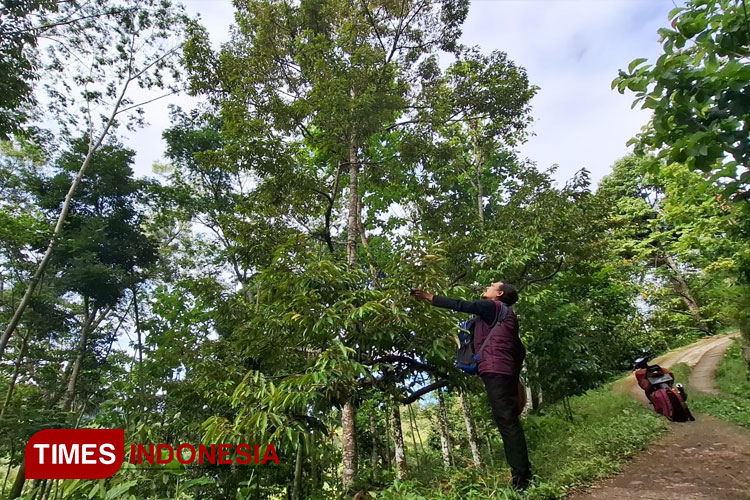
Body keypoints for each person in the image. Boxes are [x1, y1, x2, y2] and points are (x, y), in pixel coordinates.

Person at [410, 281, 533, 492]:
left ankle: (523, 481)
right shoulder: (504, 315)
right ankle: (522, 476)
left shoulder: (493, 307)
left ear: (499, 294)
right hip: (501, 371)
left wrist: (429, 297)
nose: (488, 286)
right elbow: (519, 349)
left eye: (493, 285)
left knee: (507, 423)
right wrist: (513, 375)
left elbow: (462, 305)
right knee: (507, 421)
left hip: (496, 371)